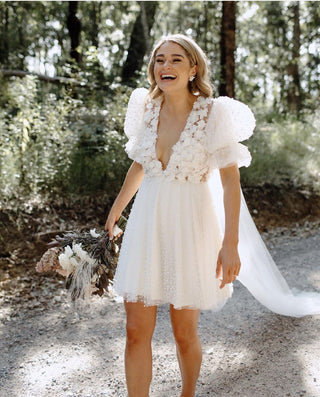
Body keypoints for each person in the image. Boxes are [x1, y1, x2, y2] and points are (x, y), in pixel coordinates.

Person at [105, 34, 320, 397]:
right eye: (159, 60)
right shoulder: (145, 107)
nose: (165, 66)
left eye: (175, 59)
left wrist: (230, 243)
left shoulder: (213, 113)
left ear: (193, 69)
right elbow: (140, 166)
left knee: (183, 331)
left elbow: (231, 183)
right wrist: (114, 213)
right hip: (146, 225)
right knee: (135, 331)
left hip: (191, 226)